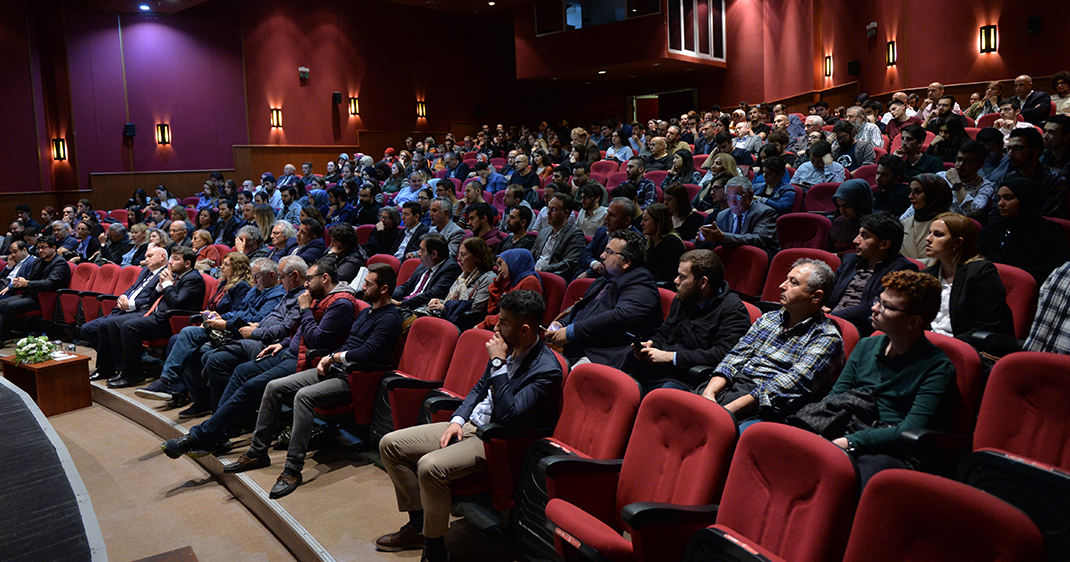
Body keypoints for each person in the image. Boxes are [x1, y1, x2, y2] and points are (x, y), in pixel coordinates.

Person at [376, 290, 562, 562]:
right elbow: (478, 389)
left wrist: (498, 362)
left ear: (525, 330)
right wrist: (457, 420)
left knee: (430, 466)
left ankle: (435, 547)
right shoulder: (506, 346)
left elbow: (508, 415)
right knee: (390, 444)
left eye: (505, 323)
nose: (497, 328)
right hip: (472, 424)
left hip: (495, 439)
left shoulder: (546, 370)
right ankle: (418, 525)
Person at [200, 262, 399, 501]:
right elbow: (350, 343)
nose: (363, 287)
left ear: (384, 289)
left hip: (355, 378)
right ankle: (257, 452)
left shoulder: (389, 318)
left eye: (369, 284)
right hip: (334, 367)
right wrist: (330, 357)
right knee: (273, 387)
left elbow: (368, 353)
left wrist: (333, 356)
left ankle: (292, 470)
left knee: (303, 396)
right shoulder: (367, 311)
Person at [810, 270, 954, 485]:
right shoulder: (866, 345)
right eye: (879, 300)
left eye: (886, 306)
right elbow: (837, 396)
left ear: (914, 321)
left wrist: (849, 442)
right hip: (848, 426)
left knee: (849, 478)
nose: (874, 308)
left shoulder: (938, 367)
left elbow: (909, 429)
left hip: (891, 449)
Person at [700, 259, 845, 425]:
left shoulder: (826, 338)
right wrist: (709, 394)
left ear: (816, 297)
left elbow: (791, 384)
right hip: (730, 388)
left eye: (793, 283)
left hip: (764, 409)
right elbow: (736, 356)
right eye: (786, 279)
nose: (782, 286)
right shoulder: (769, 318)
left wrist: (729, 409)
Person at [136, 256, 282, 414]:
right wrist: (220, 316)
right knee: (186, 337)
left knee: (194, 346)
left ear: (272, 275)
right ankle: (173, 384)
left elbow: (259, 320)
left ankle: (179, 387)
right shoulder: (255, 290)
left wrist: (225, 320)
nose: (254, 280)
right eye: (253, 276)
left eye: (257, 276)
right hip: (230, 327)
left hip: (245, 334)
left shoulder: (276, 294)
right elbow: (241, 311)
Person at [626, 250, 750, 394]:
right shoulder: (683, 298)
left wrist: (671, 357)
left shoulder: (733, 310)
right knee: (620, 385)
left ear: (703, 282)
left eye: (682, 277)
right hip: (656, 371)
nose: (676, 281)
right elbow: (664, 332)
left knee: (659, 397)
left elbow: (722, 354)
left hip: (687, 380)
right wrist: (650, 346)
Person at [545, 230, 662, 368]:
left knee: (562, 374)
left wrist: (571, 332)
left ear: (626, 262)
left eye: (609, 252)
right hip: (581, 346)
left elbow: (619, 317)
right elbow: (584, 309)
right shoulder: (604, 280)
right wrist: (562, 324)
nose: (602, 255)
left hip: (606, 354)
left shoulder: (642, 286)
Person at [103, 247, 207, 388]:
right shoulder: (176, 275)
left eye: (176, 259)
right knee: (116, 323)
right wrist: (159, 286)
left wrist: (167, 284)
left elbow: (177, 303)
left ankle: (133, 374)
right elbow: (152, 300)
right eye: (171, 258)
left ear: (187, 263)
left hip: (172, 321)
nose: (170, 262)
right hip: (157, 315)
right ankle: (123, 369)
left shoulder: (193, 279)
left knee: (129, 327)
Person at [921, 212, 1013, 342]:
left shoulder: (981, 273)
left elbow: (987, 326)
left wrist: (945, 345)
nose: (928, 238)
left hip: (963, 347)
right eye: (929, 233)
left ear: (958, 242)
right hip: (929, 343)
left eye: (938, 235)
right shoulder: (927, 275)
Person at [828, 212, 918, 336]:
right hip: (828, 321)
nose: (855, 240)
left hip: (859, 329)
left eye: (864, 236)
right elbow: (829, 289)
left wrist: (829, 317)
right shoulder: (850, 260)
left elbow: (872, 306)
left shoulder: (902, 269)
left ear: (884, 244)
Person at [978, 178, 1070, 285]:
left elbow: (1058, 269)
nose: (1001, 204)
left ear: (1025, 199)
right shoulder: (995, 225)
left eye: (1008, 198)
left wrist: (1017, 273)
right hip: (988, 282)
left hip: (1028, 287)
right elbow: (977, 254)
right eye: (999, 198)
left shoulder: (1048, 231)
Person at [0, 236, 71, 342]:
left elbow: (49, 283)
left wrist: (27, 283)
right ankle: (4, 332)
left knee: (11, 306)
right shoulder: (39, 261)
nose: (41, 250)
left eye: (44, 247)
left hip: (46, 298)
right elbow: (30, 278)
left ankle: (2, 337)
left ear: (54, 248)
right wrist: (20, 282)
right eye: (39, 248)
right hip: (32, 294)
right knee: (1, 303)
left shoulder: (60, 263)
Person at [697, 176, 779, 259]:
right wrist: (703, 239)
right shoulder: (722, 215)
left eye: (738, 197)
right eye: (729, 198)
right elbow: (717, 243)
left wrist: (723, 237)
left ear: (750, 195)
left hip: (758, 262)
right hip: (732, 261)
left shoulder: (765, 212)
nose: (733, 202)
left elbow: (759, 239)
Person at [424, 237, 496, 330]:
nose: (459, 258)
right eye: (459, 254)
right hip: (449, 317)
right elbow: (449, 301)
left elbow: (475, 310)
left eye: (463, 255)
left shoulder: (488, 278)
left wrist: (445, 307)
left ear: (477, 257)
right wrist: (438, 301)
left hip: (465, 325)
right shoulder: (463, 276)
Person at [1002, 127, 1069, 219]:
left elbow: (1046, 218)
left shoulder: (1055, 180)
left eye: (1018, 148)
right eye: (1009, 148)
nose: (1010, 154)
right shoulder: (1006, 179)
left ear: (1035, 151)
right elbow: (996, 214)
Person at [477, 249, 542, 331]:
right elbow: (492, 310)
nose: (499, 270)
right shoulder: (512, 282)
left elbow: (513, 315)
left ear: (514, 261)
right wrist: (497, 282)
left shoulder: (530, 281)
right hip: (504, 327)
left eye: (501, 264)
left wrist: (484, 323)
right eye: (497, 266)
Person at [392, 233, 462, 309]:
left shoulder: (451, 268)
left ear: (434, 254)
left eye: (422, 250)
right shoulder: (426, 263)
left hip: (419, 309)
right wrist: (389, 297)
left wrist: (401, 304)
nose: (418, 253)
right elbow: (406, 286)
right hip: (405, 304)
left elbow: (433, 294)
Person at [900, 173, 954, 264]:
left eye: (917, 192)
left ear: (933, 194)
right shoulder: (903, 223)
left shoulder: (951, 225)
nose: (910, 196)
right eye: (910, 191)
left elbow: (947, 261)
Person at [530, 192, 586, 279]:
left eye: (553, 209)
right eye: (548, 208)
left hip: (554, 277)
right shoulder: (543, 232)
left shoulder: (575, 234)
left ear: (566, 213)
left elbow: (569, 263)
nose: (548, 212)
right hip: (533, 274)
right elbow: (531, 255)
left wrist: (541, 269)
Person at [938, 140, 996, 220]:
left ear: (980, 165)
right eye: (959, 159)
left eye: (968, 162)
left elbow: (972, 211)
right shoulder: (940, 176)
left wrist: (957, 184)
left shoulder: (985, 186)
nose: (961, 165)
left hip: (958, 227)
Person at [640, 203, 686, 285]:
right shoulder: (650, 243)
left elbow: (666, 276)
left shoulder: (673, 243)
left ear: (658, 222)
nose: (641, 223)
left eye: (646, 220)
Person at [828, 179, 874, 254]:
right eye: (839, 206)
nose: (842, 212)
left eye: (847, 206)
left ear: (860, 203)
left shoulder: (875, 226)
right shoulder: (839, 222)